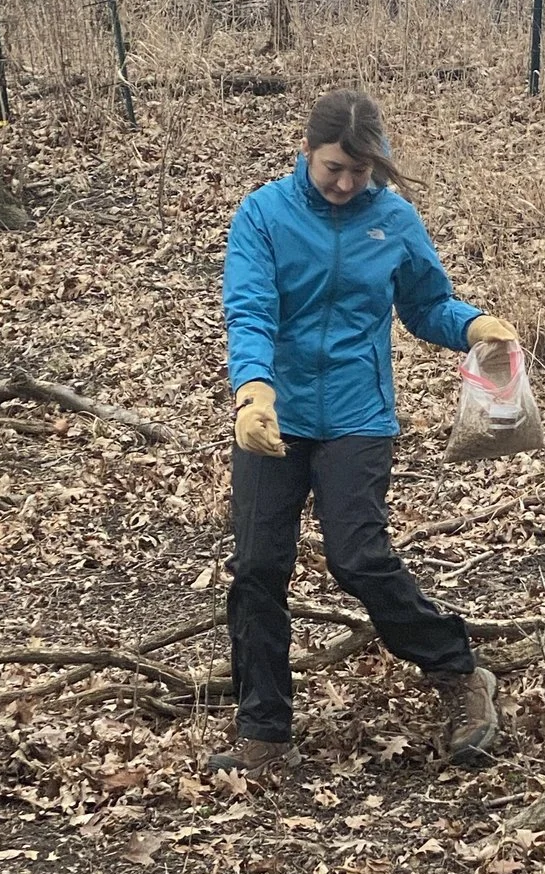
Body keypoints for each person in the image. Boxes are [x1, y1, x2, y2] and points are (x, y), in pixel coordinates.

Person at [207, 89, 517, 779]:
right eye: (333, 169)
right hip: (272, 415)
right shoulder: (264, 215)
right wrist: (253, 389)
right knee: (258, 566)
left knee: (357, 556)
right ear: (307, 154)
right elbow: (250, 308)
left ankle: (458, 667)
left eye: (359, 171)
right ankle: (264, 733)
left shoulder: (393, 218)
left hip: (357, 413)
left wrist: (471, 325)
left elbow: (426, 302)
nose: (346, 184)